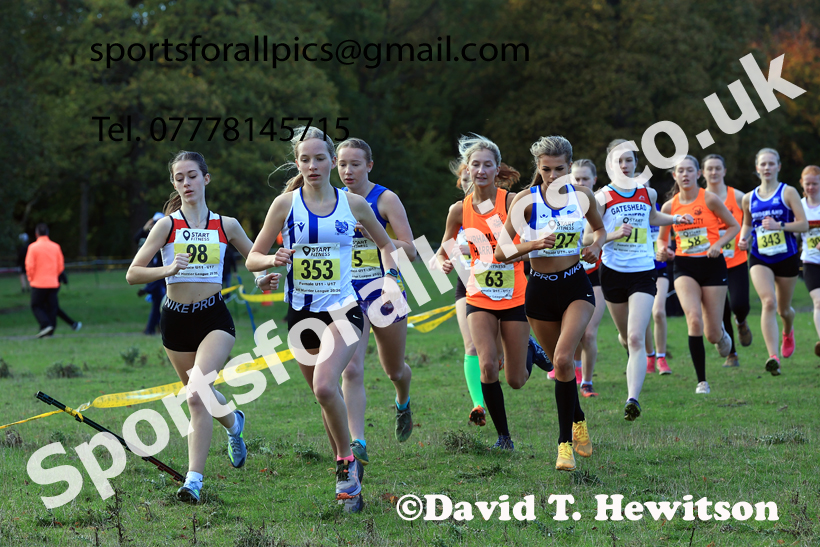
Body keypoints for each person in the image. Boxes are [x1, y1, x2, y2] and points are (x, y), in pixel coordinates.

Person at [246, 127, 403, 513]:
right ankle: (347, 464)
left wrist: (391, 279)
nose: (312, 165)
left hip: (345, 308)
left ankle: (345, 468)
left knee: (324, 386)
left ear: (332, 161)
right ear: (297, 163)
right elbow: (252, 257)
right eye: (305, 159)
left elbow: (387, 246)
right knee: (324, 396)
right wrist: (271, 261)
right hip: (301, 313)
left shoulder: (354, 204)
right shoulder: (284, 205)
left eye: (319, 158)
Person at [126, 151, 276, 504]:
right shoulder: (166, 226)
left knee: (195, 395)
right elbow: (133, 273)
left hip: (214, 319)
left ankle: (193, 481)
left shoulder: (227, 224)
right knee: (203, 395)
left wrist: (261, 277)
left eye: (192, 176)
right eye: (179, 178)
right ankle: (234, 423)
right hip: (175, 321)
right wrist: (166, 271)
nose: (186, 184)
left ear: (206, 179)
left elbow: (253, 259)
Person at [495, 135, 606, 471]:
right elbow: (500, 252)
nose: (554, 176)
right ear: (538, 168)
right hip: (539, 292)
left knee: (561, 357)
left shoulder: (583, 197)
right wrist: (532, 244)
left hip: (576, 286)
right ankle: (579, 420)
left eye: (560, 169)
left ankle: (564, 447)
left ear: (570, 167)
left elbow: (600, 231)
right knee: (561, 368)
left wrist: (596, 247)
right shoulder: (527, 202)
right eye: (547, 169)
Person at [436, 134, 533, 451]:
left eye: (487, 165)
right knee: (488, 365)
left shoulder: (512, 202)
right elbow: (443, 248)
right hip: (478, 297)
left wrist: (523, 251)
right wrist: (444, 262)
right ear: (467, 169)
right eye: (475, 164)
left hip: (515, 296)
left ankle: (530, 350)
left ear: (497, 169)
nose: (480, 170)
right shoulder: (457, 210)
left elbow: (531, 240)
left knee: (516, 380)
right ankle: (504, 437)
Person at [591, 139, 692, 420]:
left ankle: (632, 399)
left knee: (636, 337)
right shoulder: (602, 197)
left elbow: (654, 217)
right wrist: (612, 235)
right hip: (612, 273)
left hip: (643, 271)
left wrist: (675, 219)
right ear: (610, 165)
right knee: (626, 337)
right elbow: (589, 236)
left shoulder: (647, 192)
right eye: (618, 161)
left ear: (636, 163)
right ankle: (634, 356)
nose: (624, 165)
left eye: (628, 160)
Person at [336, 137, 416, 471]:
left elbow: (411, 250)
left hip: (384, 291)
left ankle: (403, 399)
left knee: (393, 369)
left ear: (369, 165)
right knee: (351, 367)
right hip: (344, 292)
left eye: (355, 164)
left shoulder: (385, 199)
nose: (347, 171)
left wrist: (376, 237)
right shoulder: (331, 201)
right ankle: (358, 441)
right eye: (342, 164)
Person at [657, 156, 739, 394]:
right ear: (674, 176)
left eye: (689, 170)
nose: (685, 175)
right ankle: (701, 381)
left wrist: (718, 244)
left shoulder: (710, 199)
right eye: (680, 171)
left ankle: (721, 334)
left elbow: (733, 226)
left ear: (697, 174)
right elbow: (662, 238)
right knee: (693, 319)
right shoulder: (669, 207)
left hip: (712, 265)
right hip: (684, 267)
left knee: (712, 334)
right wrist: (663, 250)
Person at [738, 148, 808, 375]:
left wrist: (780, 226)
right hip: (760, 257)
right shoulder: (749, 198)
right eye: (763, 164)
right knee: (768, 302)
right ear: (757, 168)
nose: (767, 168)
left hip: (786, 257)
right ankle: (773, 356)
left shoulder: (787, 193)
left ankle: (788, 330)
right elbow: (747, 224)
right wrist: (743, 238)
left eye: (771, 164)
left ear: (778, 166)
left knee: (783, 309)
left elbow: (803, 225)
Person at [703, 154, 752, 367]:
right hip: (711, 263)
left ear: (724, 171)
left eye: (717, 168)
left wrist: (748, 239)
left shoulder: (739, 197)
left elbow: (752, 223)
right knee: (721, 309)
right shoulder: (699, 198)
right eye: (709, 169)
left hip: (736, 261)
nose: (713, 172)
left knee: (739, 304)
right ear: (703, 173)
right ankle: (732, 354)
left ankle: (741, 322)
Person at [570, 159, 607, 396]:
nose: (581, 182)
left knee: (589, 332)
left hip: (596, 276)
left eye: (585, 179)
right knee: (572, 333)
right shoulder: (560, 206)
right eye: (577, 179)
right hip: (569, 275)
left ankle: (587, 381)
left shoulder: (600, 205)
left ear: (594, 181)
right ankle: (571, 368)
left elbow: (601, 233)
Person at [645, 176, 673, 375]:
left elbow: (665, 240)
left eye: (645, 186)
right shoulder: (625, 212)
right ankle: (649, 355)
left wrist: (665, 251)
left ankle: (662, 358)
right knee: (642, 318)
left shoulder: (660, 210)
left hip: (659, 269)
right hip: (638, 270)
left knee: (658, 312)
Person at [26, 223, 69, 338]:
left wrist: (31, 278)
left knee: (36, 305)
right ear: (48, 233)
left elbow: (29, 266)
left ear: (36, 234)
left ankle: (45, 325)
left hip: (38, 282)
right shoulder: (56, 247)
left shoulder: (33, 247)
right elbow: (60, 266)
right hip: (53, 282)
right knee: (51, 307)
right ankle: (49, 330)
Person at [799, 165, 820, 356]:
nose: (811, 187)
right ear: (802, 184)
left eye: (815, 183)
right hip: (810, 261)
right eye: (808, 184)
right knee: (818, 301)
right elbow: (794, 230)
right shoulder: (799, 206)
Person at [135, 212, 166, 335]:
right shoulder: (150, 235)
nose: (156, 224)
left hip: (164, 274)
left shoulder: (166, 234)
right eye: (155, 222)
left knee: (161, 305)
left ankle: (148, 289)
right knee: (158, 304)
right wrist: (144, 228)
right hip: (154, 274)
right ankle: (152, 328)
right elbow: (136, 239)